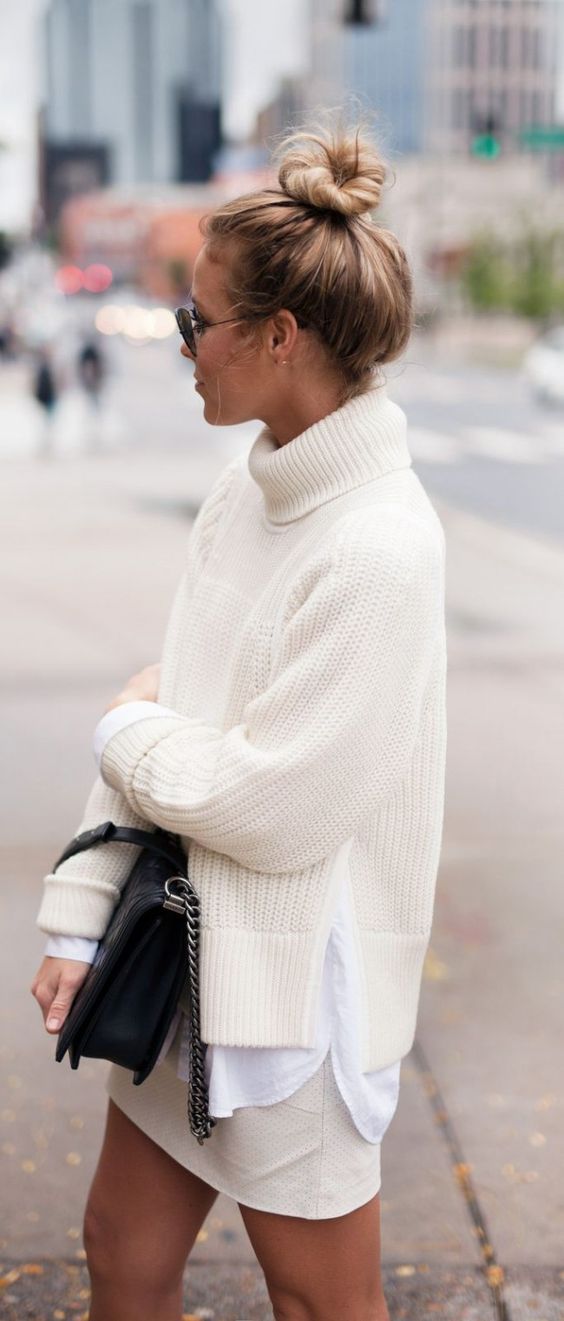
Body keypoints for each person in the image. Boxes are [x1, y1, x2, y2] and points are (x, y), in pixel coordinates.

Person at [31, 113, 447, 1321]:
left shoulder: (380, 547)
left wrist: (125, 732)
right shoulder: (249, 482)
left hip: (290, 1006)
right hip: (180, 957)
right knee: (121, 1252)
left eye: (192, 322)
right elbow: (172, 701)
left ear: (278, 334)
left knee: (322, 1306)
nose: (180, 346)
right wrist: (74, 912)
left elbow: (270, 805)